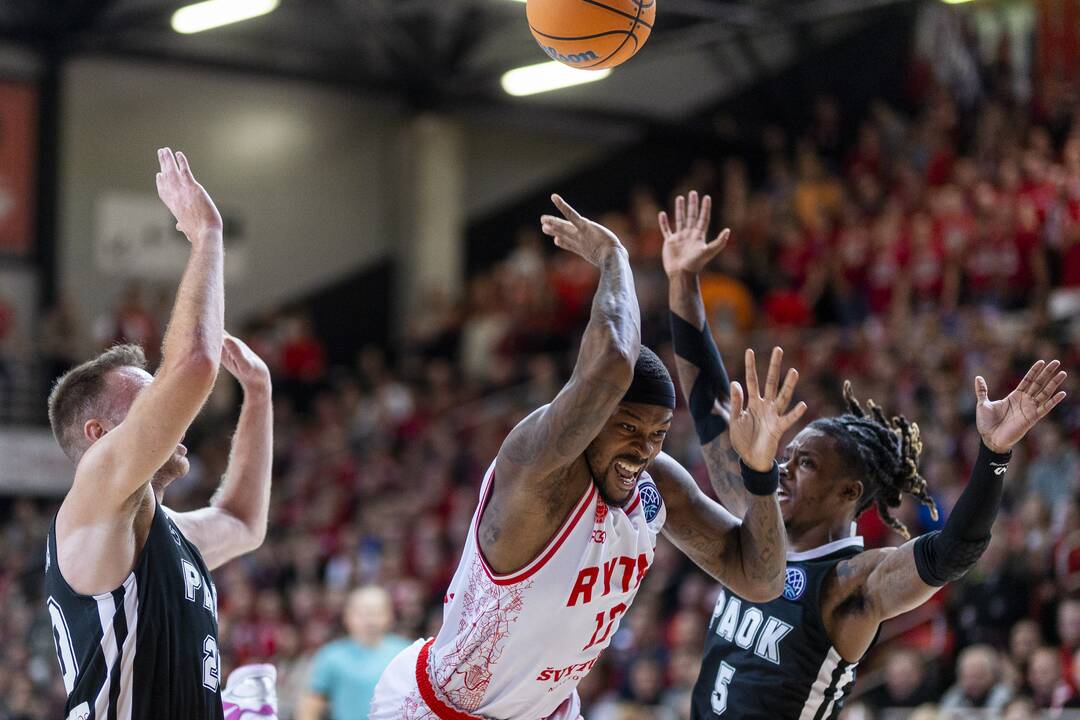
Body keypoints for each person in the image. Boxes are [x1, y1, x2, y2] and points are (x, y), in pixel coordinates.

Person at [370, 194, 802, 719]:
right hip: (445, 710)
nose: (643, 448)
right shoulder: (537, 466)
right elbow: (613, 363)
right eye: (626, 427)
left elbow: (760, 579)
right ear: (592, 416)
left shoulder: (654, 485)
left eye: (659, 433)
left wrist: (759, 474)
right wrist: (614, 256)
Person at [657, 191, 1069, 720]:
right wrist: (682, 279)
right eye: (788, 454)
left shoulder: (850, 583)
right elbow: (708, 402)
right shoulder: (755, 506)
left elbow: (954, 552)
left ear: (848, 492)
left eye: (804, 463)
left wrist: (993, 453)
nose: (782, 466)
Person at [43, 149, 274, 720]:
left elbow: (244, 524)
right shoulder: (95, 498)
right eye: (147, 400)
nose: (168, 413)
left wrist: (260, 394)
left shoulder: (163, 532)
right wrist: (206, 236)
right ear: (99, 435)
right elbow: (193, 364)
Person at [298, 587, 410, 720]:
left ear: (390, 615)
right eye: (363, 613)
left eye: (376, 612)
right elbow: (310, 706)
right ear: (348, 616)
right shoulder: (331, 656)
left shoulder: (407, 653)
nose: (370, 620)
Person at [939, 644, 1013, 712]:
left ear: (992, 676)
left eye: (978, 677)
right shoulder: (954, 697)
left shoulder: (1006, 698)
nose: (973, 683)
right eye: (968, 677)